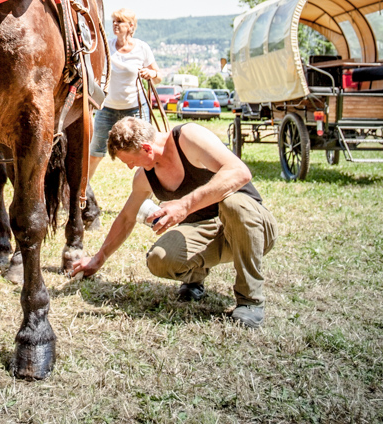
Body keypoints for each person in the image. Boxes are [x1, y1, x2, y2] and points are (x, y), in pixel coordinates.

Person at [69, 116, 277, 328]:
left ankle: (250, 300)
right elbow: (126, 218)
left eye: (130, 161)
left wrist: (186, 205)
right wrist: (98, 258)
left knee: (233, 204)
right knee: (160, 258)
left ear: (148, 149)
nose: (131, 167)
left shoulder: (188, 137)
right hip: (208, 231)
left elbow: (240, 172)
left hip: (252, 227)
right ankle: (195, 277)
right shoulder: (145, 176)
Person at [84, 8, 160, 228]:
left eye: (121, 22)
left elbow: (157, 73)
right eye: (114, 21)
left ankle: (148, 200)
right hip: (107, 108)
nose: (116, 24)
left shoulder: (142, 48)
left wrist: (150, 74)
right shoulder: (106, 46)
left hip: (134, 110)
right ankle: (82, 197)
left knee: (144, 154)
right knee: (95, 152)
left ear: (131, 26)